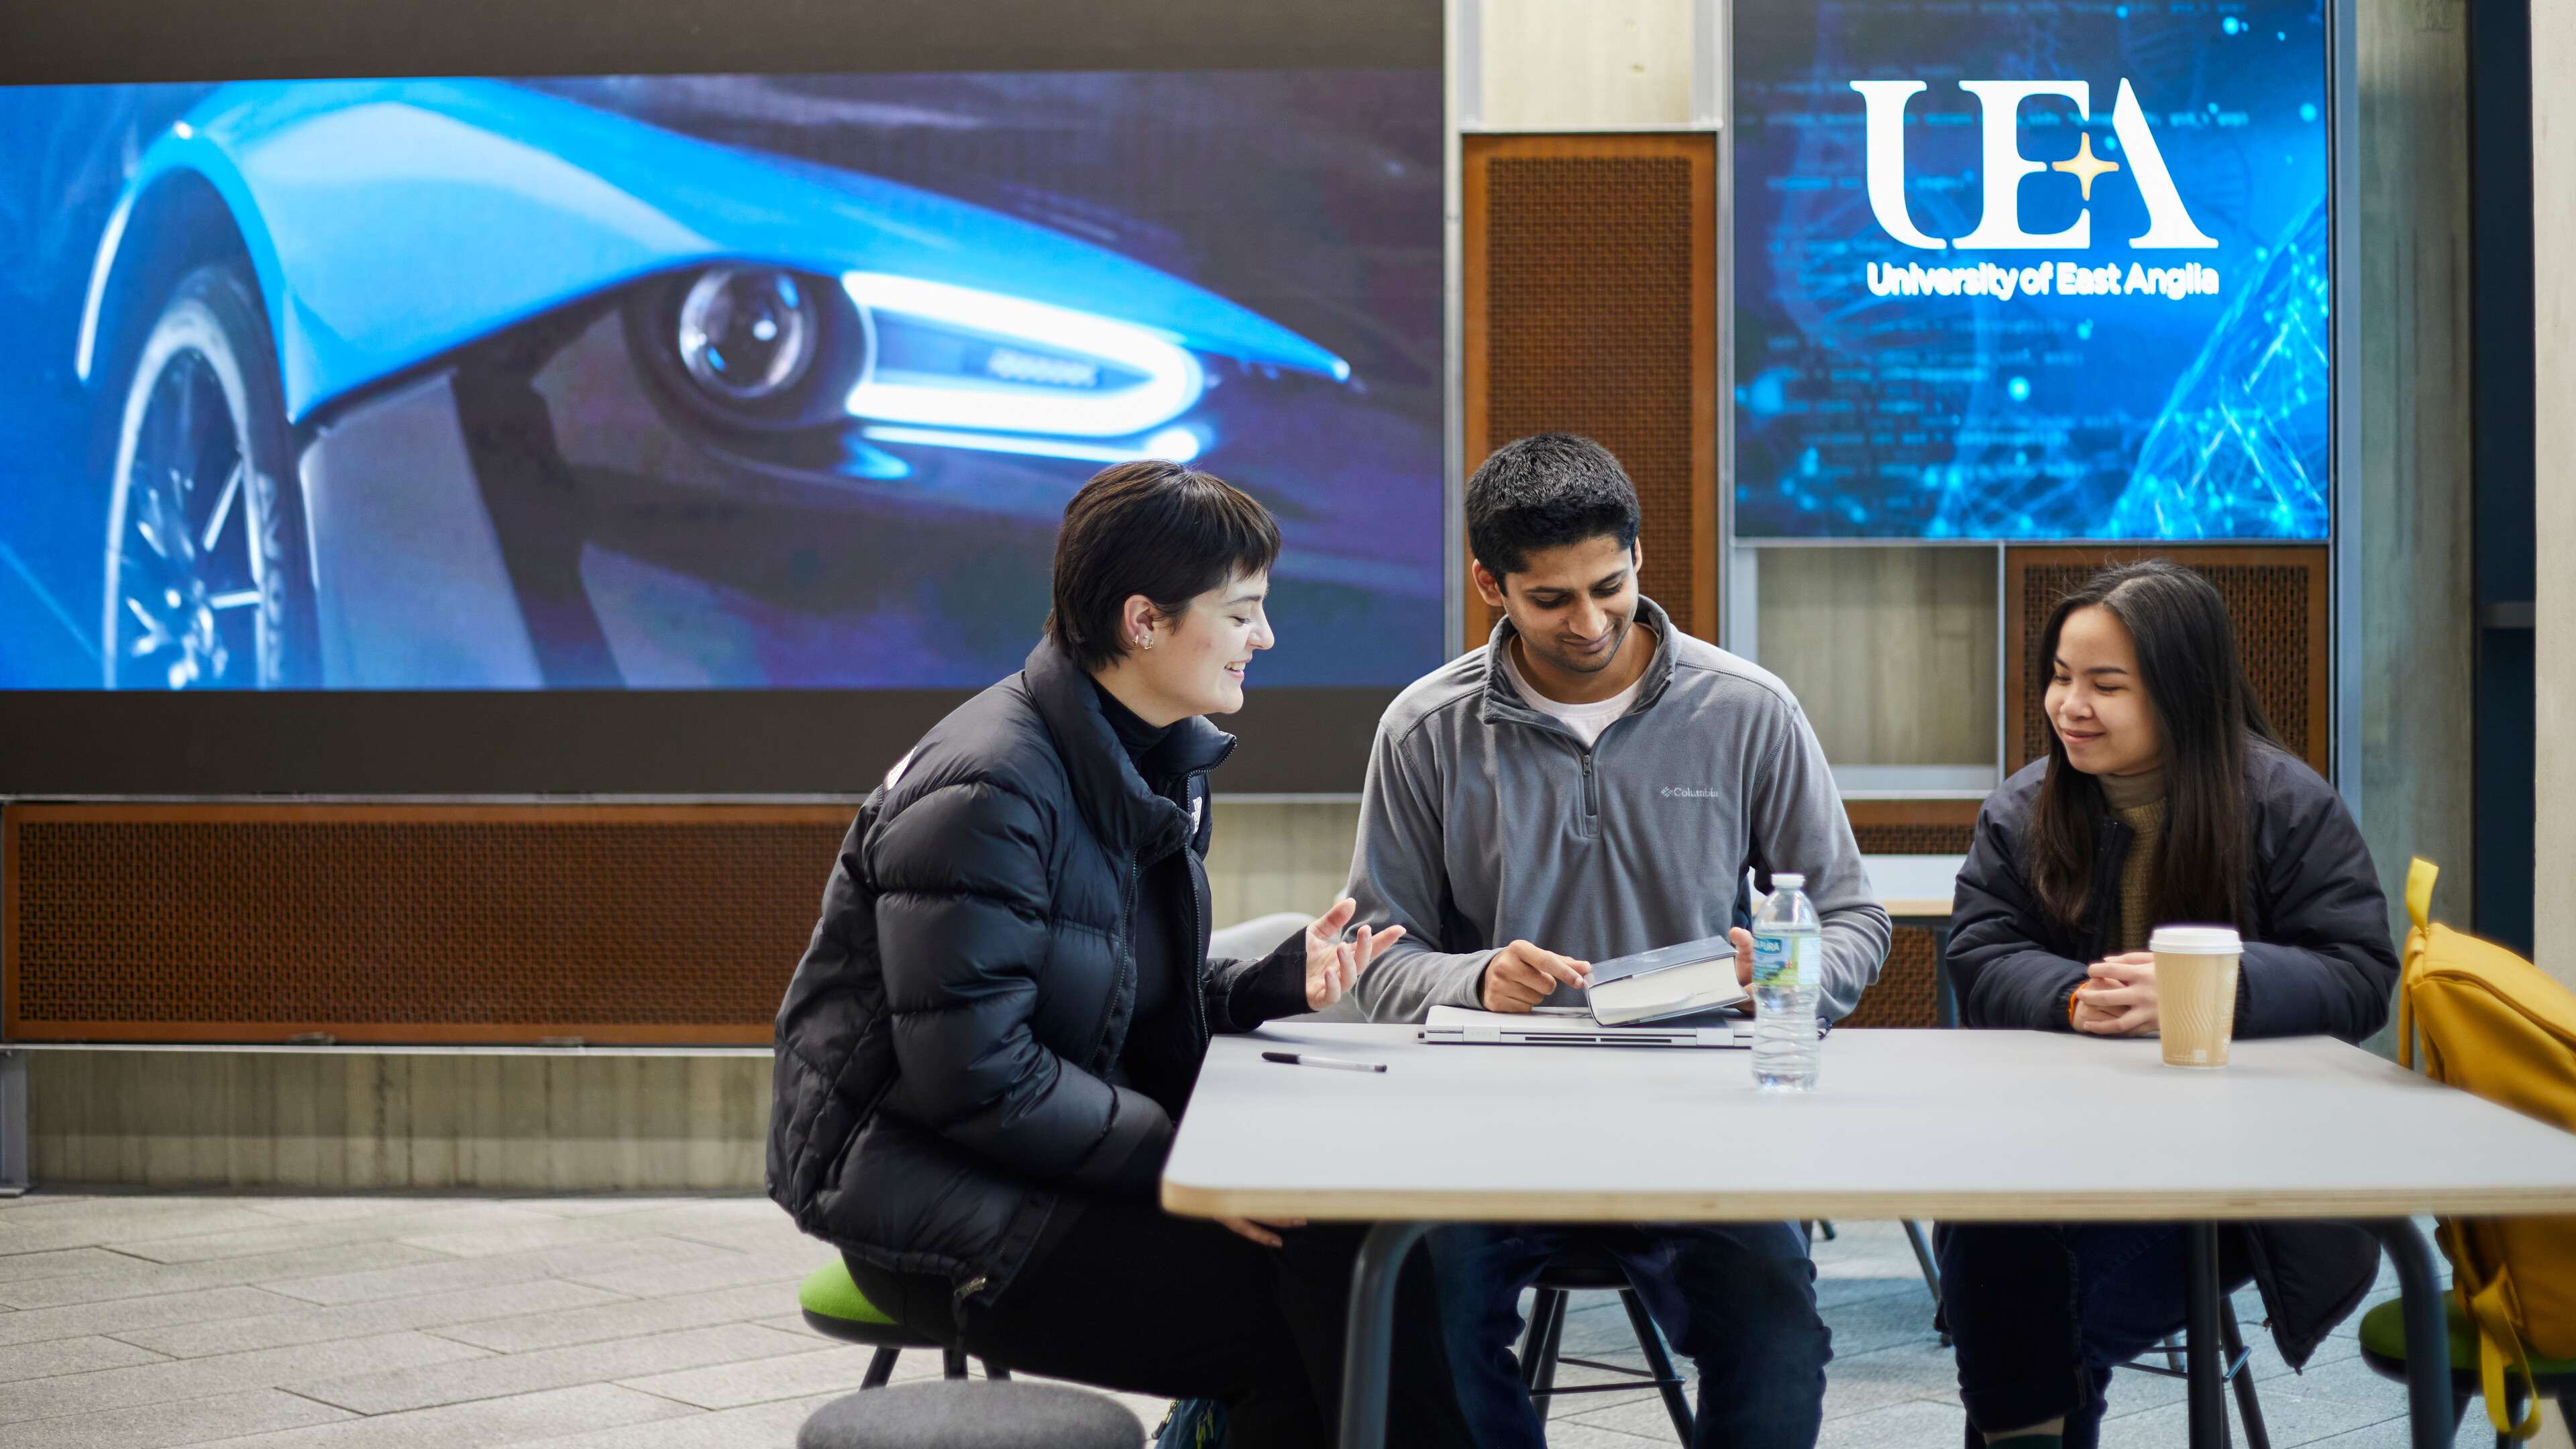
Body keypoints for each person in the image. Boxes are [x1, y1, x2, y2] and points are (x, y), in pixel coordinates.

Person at [767, 460, 1470, 1448]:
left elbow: (1107, 991)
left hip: (1046, 1157)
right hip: (932, 1199)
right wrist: (1189, 1160)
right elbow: (976, 1078)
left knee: (1356, 1262)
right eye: (1242, 613)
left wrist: (1267, 985)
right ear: (1144, 622)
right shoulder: (988, 792)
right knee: (1314, 1329)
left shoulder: (1151, 752)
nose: (1264, 637)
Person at [1342, 433, 1889, 1449]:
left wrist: (1776, 974)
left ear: (1639, 554)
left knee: (1776, 1340)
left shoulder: (1747, 710)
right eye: (1551, 599)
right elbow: (1378, 952)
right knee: (1423, 1335)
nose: (1590, 623)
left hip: (1701, 1115)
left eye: (1610, 587)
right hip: (1485, 1127)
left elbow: (1855, 919)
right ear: (1490, 585)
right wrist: (1474, 979)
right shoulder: (1427, 729)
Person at [1939, 559, 2400, 1449]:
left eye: (2106, 685)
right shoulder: (2025, 810)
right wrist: (2071, 996)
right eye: (2061, 678)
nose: (2071, 706)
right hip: (2060, 1145)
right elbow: (1982, 951)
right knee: (2001, 1276)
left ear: (2184, 691)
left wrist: (2212, 992)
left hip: (2243, 1169)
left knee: (2040, 1339)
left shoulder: (2286, 807)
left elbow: (2358, 973)